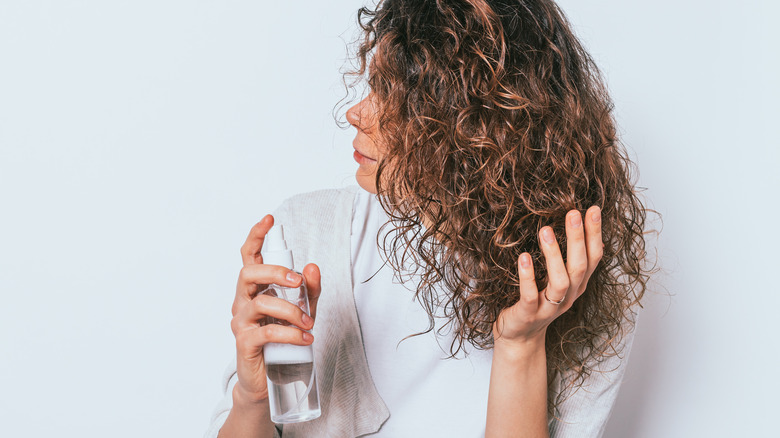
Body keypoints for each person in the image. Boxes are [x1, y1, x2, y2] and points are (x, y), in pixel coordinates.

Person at [205, 0, 651, 437]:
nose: (356, 113)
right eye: (372, 84)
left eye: (395, 97)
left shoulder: (575, 279)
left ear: (476, 125)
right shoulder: (304, 232)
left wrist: (521, 345)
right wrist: (253, 398)